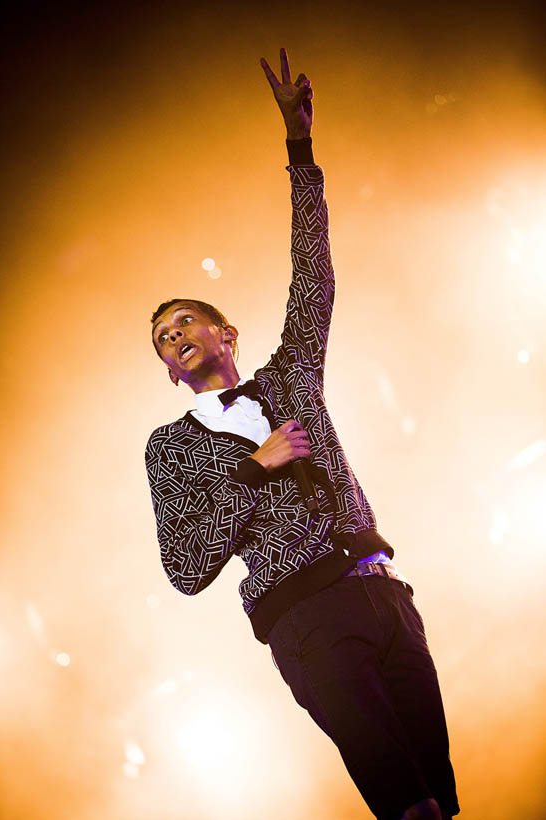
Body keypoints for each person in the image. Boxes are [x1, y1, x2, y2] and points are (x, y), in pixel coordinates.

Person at [145, 47, 460, 820]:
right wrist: (253, 469)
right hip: (305, 617)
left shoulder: (290, 376)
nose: (175, 334)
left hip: (385, 595)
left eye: (187, 320)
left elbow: (312, 270)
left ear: (226, 333)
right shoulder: (173, 445)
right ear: (168, 371)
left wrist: (300, 149)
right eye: (162, 337)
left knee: (442, 805)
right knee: (406, 803)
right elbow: (184, 567)